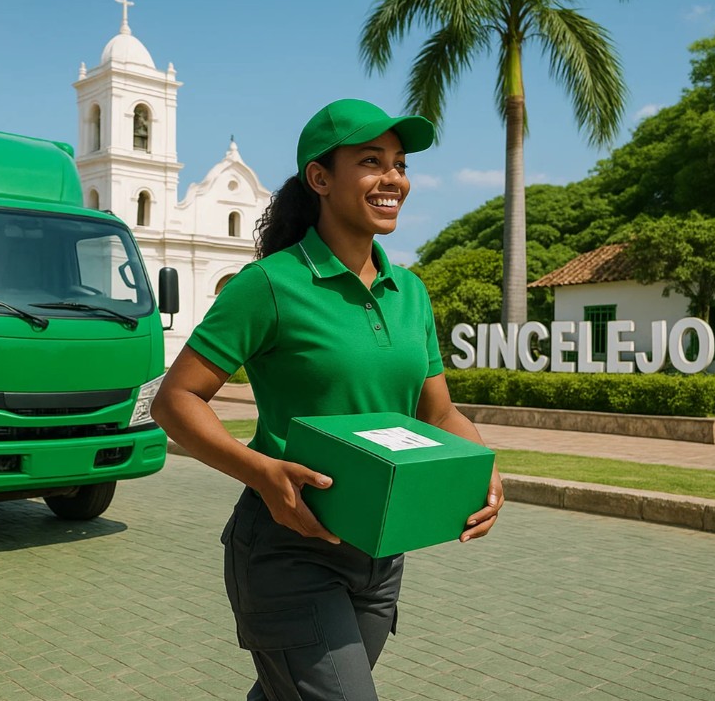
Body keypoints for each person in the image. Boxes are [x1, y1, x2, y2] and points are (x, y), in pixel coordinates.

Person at [151, 98, 504, 701]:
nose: (394, 178)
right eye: (371, 161)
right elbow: (176, 399)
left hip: (381, 552)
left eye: (400, 163)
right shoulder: (269, 285)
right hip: (289, 550)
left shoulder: (410, 292)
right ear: (320, 178)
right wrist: (263, 472)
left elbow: (438, 412)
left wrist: (482, 472)